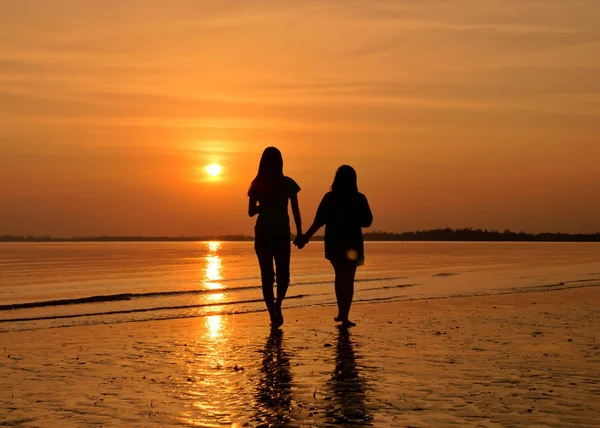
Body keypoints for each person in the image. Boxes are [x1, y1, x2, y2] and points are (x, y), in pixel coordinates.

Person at [296, 165, 372, 327]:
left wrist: (306, 237)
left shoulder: (330, 198)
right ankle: (344, 316)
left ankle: (342, 313)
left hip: (335, 243)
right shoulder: (359, 198)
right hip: (353, 244)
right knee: (349, 279)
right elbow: (368, 222)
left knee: (340, 276)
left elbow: (318, 221)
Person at [248, 147, 303, 328]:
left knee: (278, 277)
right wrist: (265, 206)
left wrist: (300, 232)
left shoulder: (287, 183)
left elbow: (296, 211)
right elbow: (251, 211)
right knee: (271, 277)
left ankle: (276, 306)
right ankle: (273, 310)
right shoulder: (258, 183)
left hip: (277, 234)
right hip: (267, 234)